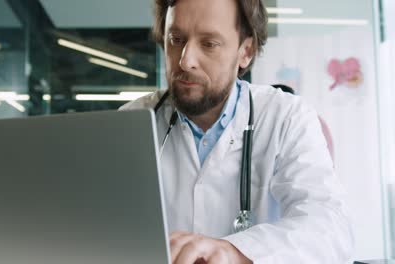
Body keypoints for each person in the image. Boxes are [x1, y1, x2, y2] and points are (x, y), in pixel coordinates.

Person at [121, 0, 354, 262]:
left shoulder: (286, 117)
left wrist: (233, 252)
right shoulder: (130, 122)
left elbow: (329, 229)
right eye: (176, 39)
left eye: (208, 43)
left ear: (246, 51)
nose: (186, 60)